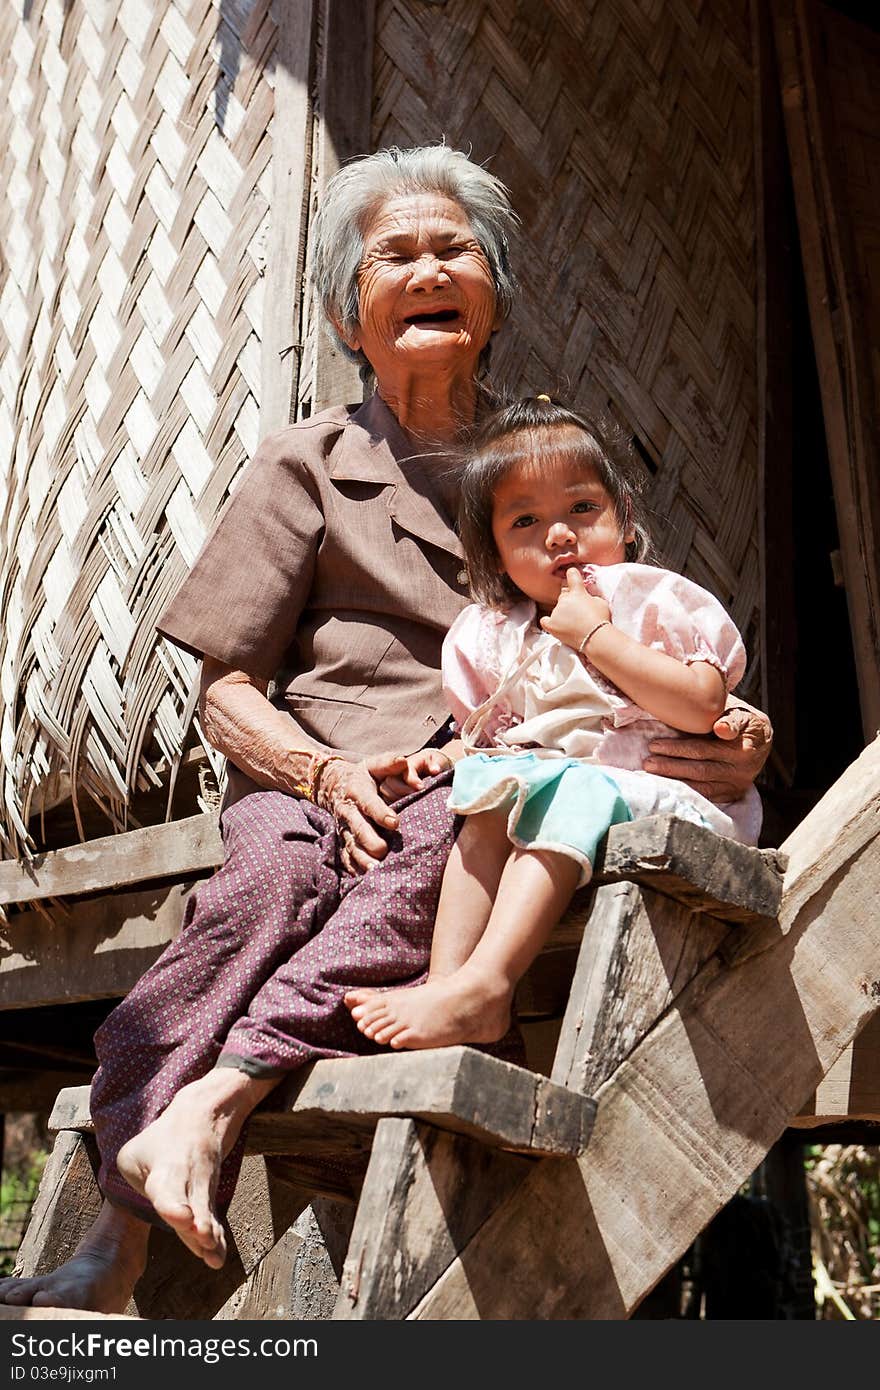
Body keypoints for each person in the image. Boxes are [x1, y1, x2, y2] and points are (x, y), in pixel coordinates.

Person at [0, 147, 772, 1315]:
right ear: (344, 314)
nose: (428, 270)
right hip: (318, 772)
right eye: (395, 255)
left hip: (492, 771)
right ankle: (118, 1237)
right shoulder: (304, 462)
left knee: (438, 843)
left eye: (454, 250)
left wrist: (737, 729)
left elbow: (655, 627)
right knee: (263, 887)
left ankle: (209, 1107)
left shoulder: (545, 464)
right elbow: (225, 690)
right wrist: (321, 773)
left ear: (494, 298)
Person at [345, 397, 762, 1050]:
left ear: (623, 516)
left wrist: (595, 635)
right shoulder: (489, 634)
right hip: (574, 789)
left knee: (565, 786)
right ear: (496, 551)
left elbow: (701, 705)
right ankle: (448, 987)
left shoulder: (651, 599)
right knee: (488, 791)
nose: (559, 534)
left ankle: (489, 982)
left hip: (675, 801)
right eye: (526, 521)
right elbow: (496, 737)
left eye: (580, 509)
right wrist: (451, 760)